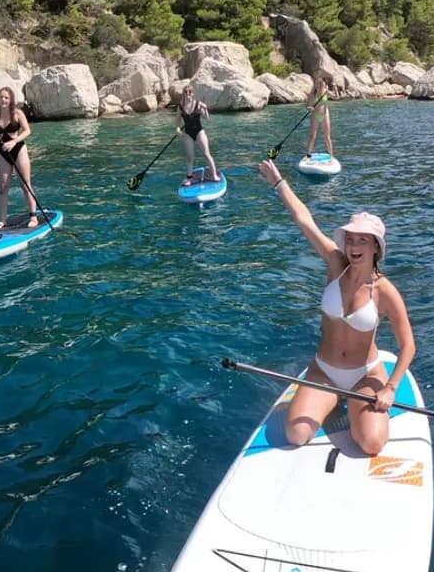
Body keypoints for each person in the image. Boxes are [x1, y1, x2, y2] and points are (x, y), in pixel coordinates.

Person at [256, 159, 416, 456]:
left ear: (376, 247)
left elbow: (408, 345)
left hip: (364, 375)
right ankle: (332, 400)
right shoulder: (335, 264)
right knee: (296, 434)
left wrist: (390, 388)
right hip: (324, 371)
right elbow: (304, 220)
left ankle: (353, 405)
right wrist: (279, 182)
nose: (353, 246)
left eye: (362, 241)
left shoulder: (385, 291)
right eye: (350, 239)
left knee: (371, 444)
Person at [0, 86, 39, 231]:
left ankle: (33, 217)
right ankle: (3, 220)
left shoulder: (17, 113)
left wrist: (14, 141)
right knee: (3, 187)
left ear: (10, 100)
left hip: (18, 150)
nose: (3, 100)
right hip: (3, 152)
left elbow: (27, 131)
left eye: (6, 98)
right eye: (1, 97)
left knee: (25, 185)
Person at [176, 83, 222, 187]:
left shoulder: (198, 104)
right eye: (186, 92)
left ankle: (214, 175)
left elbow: (206, 118)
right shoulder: (180, 106)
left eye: (190, 92)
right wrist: (177, 129)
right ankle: (189, 179)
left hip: (199, 132)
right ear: (183, 94)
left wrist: (205, 109)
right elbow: (177, 120)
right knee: (190, 157)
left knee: (206, 154)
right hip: (188, 133)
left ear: (193, 94)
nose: (188, 94)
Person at [305, 73, 334, 159]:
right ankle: (308, 155)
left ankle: (331, 156)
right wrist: (309, 108)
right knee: (313, 136)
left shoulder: (326, 92)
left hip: (325, 115)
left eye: (319, 84)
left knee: (327, 136)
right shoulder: (312, 94)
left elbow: (337, 97)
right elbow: (307, 106)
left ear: (322, 84)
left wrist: (335, 88)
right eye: (316, 84)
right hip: (315, 115)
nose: (317, 85)